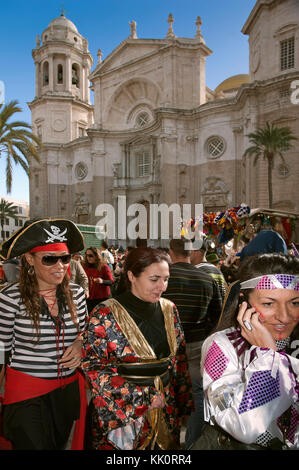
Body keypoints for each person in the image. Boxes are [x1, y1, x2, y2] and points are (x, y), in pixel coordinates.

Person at [81, 246, 193, 450]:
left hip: (164, 409)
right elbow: (94, 367)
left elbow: (179, 361)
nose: (162, 286)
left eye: (166, 279)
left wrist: (182, 402)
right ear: (131, 275)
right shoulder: (105, 313)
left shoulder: (169, 309)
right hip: (121, 413)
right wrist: (142, 398)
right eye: (154, 279)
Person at [192, 253, 299, 450]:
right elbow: (244, 427)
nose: (284, 316)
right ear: (245, 303)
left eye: (294, 303)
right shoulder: (221, 347)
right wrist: (268, 356)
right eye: (268, 303)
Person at [0, 218, 88, 450]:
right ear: (30, 259)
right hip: (26, 396)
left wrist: (80, 343)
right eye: (49, 259)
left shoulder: (77, 293)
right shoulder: (10, 297)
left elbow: (86, 332)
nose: (60, 266)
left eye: (65, 258)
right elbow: (0, 349)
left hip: (66, 393)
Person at [163, 238, 223, 449]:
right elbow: (217, 314)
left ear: (171, 252)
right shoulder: (207, 278)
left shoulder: (163, 278)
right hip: (196, 343)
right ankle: (191, 443)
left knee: (165, 391)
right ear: (191, 252)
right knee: (197, 393)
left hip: (166, 344)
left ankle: (167, 441)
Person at [82, 246, 114, 313]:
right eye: (87, 255)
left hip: (101, 298)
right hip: (88, 297)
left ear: (96, 256)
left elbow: (111, 281)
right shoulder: (84, 266)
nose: (88, 258)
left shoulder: (104, 267)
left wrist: (102, 281)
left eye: (91, 256)